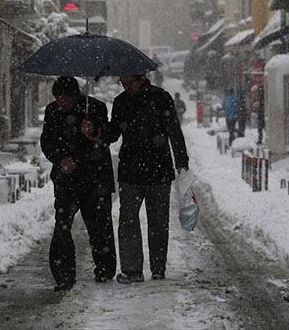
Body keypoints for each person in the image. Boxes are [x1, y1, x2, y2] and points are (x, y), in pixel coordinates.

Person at [104, 73, 189, 284]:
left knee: (158, 221)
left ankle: (158, 268)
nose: (125, 86)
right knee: (128, 220)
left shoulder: (161, 97)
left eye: (128, 82)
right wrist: (97, 131)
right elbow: (113, 134)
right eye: (122, 83)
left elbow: (174, 131)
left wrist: (181, 161)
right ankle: (132, 270)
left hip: (158, 169)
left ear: (141, 79)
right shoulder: (121, 101)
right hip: (130, 171)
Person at [40, 76, 116, 291]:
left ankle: (104, 268)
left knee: (99, 226)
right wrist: (60, 159)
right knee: (62, 225)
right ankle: (63, 275)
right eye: (58, 98)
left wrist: (91, 133)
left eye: (64, 98)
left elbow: (104, 141)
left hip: (94, 178)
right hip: (66, 180)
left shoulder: (95, 108)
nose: (61, 102)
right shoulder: (53, 111)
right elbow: (47, 141)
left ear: (74, 96)